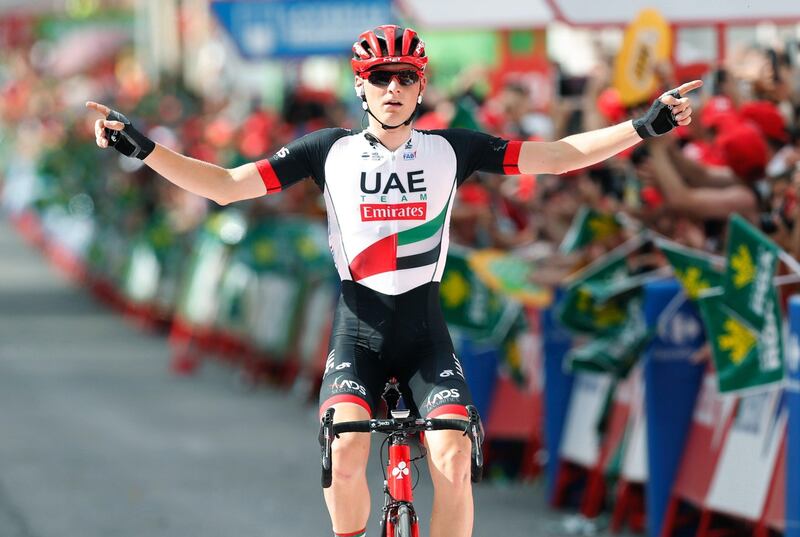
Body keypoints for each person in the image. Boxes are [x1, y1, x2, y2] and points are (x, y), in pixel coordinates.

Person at [87, 24, 700, 537]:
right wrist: (141, 146)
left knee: (454, 455)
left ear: (421, 86)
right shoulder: (326, 152)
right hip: (359, 331)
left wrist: (643, 128)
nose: (394, 88)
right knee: (348, 448)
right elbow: (223, 185)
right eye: (381, 77)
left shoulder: (450, 149)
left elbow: (560, 154)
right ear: (361, 86)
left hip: (424, 333)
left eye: (406, 77)